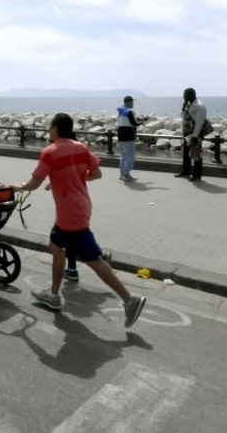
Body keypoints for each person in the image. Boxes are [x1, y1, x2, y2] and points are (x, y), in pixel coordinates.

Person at [13, 113, 146, 328]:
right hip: (82, 205)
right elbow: (97, 174)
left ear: (56, 128)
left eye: (50, 126)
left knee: (93, 258)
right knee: (56, 245)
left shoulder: (49, 152)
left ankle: (130, 299)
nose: (48, 130)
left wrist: (17, 188)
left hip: (69, 212)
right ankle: (53, 294)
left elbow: (34, 184)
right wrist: (66, 179)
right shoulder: (81, 147)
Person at [174, 87, 207, 181]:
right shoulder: (190, 105)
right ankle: (186, 171)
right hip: (187, 133)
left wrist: (195, 136)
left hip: (195, 133)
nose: (183, 97)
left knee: (196, 154)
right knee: (186, 153)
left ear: (190, 95)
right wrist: (184, 107)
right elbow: (183, 117)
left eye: (185, 95)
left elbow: (199, 122)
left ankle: (197, 174)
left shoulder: (199, 106)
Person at [116, 95, 144, 182]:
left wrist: (139, 119)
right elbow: (134, 123)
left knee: (123, 156)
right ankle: (126, 175)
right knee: (129, 157)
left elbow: (129, 120)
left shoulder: (121, 111)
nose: (133, 104)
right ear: (128, 102)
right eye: (132, 102)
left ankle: (122, 174)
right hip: (128, 136)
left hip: (121, 136)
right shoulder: (130, 111)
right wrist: (143, 122)